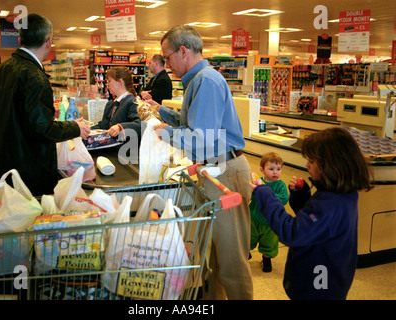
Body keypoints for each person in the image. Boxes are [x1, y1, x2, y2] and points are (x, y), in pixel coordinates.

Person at [150, 25, 253, 300]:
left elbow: (202, 139)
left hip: (225, 173)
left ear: (183, 51)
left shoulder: (206, 81)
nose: (167, 64)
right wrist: (165, 116)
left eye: (168, 56)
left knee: (231, 262)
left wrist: (167, 134)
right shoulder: (197, 81)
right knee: (213, 260)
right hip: (215, 171)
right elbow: (195, 125)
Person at [250, 127, 371, 300]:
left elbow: (292, 232)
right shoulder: (342, 195)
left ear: (330, 165)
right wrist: (303, 198)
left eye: (312, 162)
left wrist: (265, 194)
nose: (306, 165)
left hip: (317, 287)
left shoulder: (329, 205)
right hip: (330, 279)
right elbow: (316, 226)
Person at [0, 13, 90, 196]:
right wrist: (75, 127)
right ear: (48, 41)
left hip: (2, 166)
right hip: (28, 173)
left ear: (19, 39)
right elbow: (42, 129)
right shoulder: (34, 76)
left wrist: (46, 112)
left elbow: (10, 114)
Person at [249, 152, 288, 272]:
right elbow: (251, 196)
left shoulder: (280, 185)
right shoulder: (258, 182)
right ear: (262, 170)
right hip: (254, 218)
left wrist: (265, 195)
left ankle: (266, 260)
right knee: (248, 238)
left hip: (271, 222)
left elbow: (284, 198)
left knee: (269, 243)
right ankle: (245, 253)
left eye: (278, 169)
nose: (275, 172)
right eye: (271, 169)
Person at [91, 66, 141, 141]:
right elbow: (103, 125)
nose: (107, 84)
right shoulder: (111, 104)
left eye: (109, 81)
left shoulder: (133, 102)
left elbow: (139, 124)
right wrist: (84, 129)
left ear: (120, 81)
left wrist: (120, 127)